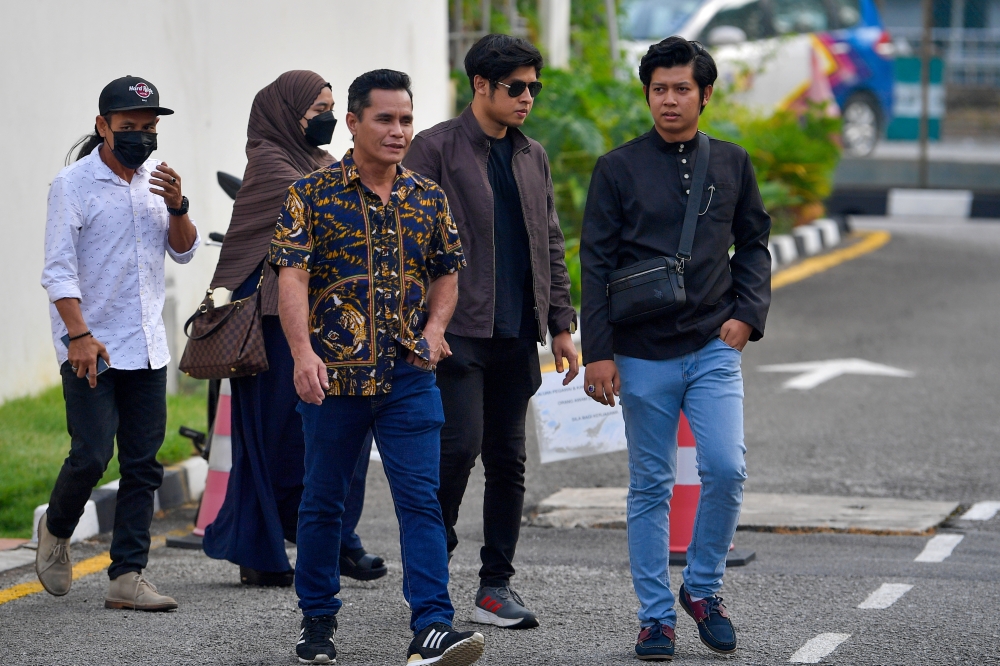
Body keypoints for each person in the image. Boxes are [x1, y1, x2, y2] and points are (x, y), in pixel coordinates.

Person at [270, 69, 485, 666]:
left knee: (421, 498)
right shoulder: (311, 195)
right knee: (324, 501)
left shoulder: (426, 196)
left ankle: (432, 628)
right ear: (354, 122)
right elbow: (293, 278)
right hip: (334, 378)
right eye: (385, 119)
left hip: (409, 376)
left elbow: (447, 271)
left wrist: (436, 329)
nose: (398, 131)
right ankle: (317, 622)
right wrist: (302, 354)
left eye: (406, 119)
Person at [580, 38, 771, 660]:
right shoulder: (617, 168)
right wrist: (598, 352)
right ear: (647, 93)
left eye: (681, 89)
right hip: (639, 353)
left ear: (705, 94)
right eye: (659, 89)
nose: (669, 99)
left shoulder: (733, 164)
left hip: (714, 345)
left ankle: (704, 589)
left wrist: (747, 315)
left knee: (727, 468)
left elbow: (755, 245)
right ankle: (655, 618)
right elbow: (596, 262)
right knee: (650, 485)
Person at [403, 33, 578, 630]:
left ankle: (495, 585)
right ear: (481, 85)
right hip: (457, 332)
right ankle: (431, 560)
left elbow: (549, 241)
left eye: (534, 88)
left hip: (517, 333)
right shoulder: (435, 150)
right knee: (457, 449)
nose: (527, 98)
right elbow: (407, 239)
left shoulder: (532, 155)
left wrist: (561, 324)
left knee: (509, 459)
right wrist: (425, 321)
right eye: (516, 88)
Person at [202, 70, 384, 587]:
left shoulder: (321, 163)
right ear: (288, 113)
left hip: (326, 323)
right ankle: (263, 552)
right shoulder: (271, 164)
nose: (327, 119)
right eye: (317, 109)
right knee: (280, 440)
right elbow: (322, 202)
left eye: (332, 107)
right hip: (273, 326)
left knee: (338, 433)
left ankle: (336, 539)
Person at [37, 76, 200, 610]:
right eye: (129, 127)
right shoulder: (72, 185)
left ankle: (127, 577)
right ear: (103, 126)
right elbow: (58, 272)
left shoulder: (158, 177)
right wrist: (78, 335)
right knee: (90, 453)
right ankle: (57, 530)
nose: (142, 137)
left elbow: (182, 252)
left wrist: (179, 206)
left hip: (147, 344)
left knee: (143, 463)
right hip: (92, 345)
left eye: (149, 127)